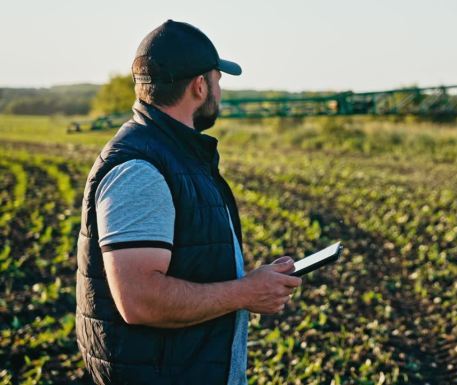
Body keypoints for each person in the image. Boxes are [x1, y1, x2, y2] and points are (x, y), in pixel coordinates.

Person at [75, 20, 302, 385]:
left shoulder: (172, 153)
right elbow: (139, 299)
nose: (219, 93)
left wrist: (250, 283)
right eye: (217, 81)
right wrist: (245, 291)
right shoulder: (140, 169)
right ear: (200, 86)